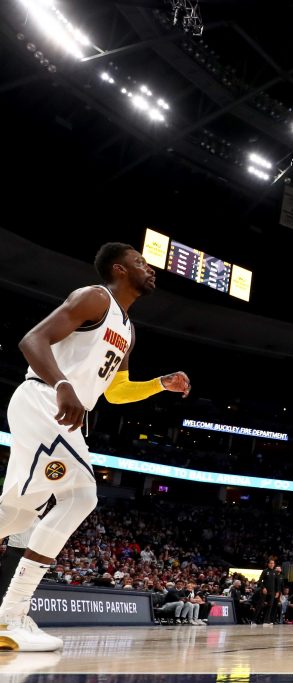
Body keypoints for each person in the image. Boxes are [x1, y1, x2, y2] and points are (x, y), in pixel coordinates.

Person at [0, 242, 189, 651]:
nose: (150, 268)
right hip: (44, 400)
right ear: (119, 269)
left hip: (64, 413)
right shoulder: (94, 298)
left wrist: (160, 384)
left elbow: (116, 393)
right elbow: (33, 340)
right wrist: (63, 384)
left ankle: (11, 615)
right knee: (82, 495)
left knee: (13, 517)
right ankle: (11, 614)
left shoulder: (128, 329)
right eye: (141, 262)